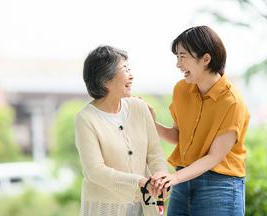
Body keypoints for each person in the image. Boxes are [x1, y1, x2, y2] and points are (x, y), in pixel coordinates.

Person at [150, 26, 250, 216]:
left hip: (220, 185)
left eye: (182, 56)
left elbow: (214, 156)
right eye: (176, 57)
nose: (178, 64)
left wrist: (174, 177)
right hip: (183, 178)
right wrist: (152, 123)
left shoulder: (232, 102)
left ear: (206, 59)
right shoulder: (181, 89)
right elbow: (179, 136)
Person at [75, 45, 168, 216]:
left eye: (129, 68)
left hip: (145, 207)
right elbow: (95, 171)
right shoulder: (86, 119)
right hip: (105, 210)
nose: (131, 75)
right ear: (105, 81)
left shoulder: (140, 108)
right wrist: (139, 182)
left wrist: (161, 177)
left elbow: (155, 153)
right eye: (125, 69)